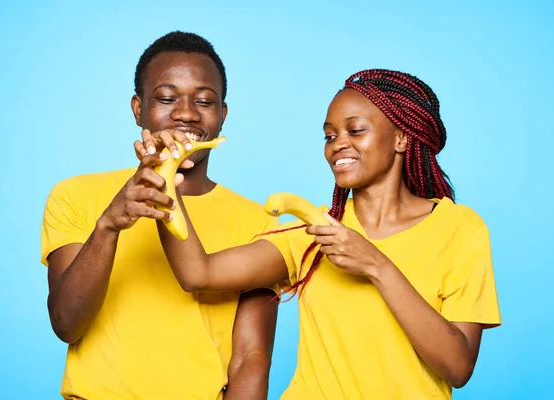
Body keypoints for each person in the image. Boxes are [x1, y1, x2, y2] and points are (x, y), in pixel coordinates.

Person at [148, 69, 501, 399]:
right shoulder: (311, 231)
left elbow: (458, 366)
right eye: (330, 135)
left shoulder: (459, 229)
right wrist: (165, 183)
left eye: (355, 130)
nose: (337, 145)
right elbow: (199, 273)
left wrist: (377, 266)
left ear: (401, 137)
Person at [40, 31, 279, 400]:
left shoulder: (259, 223)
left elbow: (251, 358)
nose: (185, 113)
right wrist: (107, 227)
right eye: (167, 98)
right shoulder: (75, 196)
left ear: (222, 116)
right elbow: (67, 324)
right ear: (138, 109)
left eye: (204, 101)